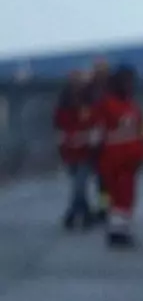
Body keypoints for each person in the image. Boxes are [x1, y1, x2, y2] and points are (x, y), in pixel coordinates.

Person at [96, 65, 143, 248]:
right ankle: (116, 231)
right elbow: (103, 129)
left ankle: (122, 229)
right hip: (115, 157)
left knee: (127, 195)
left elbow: (139, 129)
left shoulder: (130, 104)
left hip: (129, 157)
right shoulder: (108, 103)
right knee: (118, 195)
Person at [53, 69, 98, 230]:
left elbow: (94, 124)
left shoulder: (89, 102)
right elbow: (59, 125)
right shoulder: (64, 103)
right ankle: (86, 214)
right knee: (78, 184)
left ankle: (71, 215)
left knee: (79, 184)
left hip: (85, 150)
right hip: (70, 150)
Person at [88, 58, 112, 224]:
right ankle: (104, 207)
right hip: (99, 139)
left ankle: (109, 207)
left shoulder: (111, 88)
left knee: (109, 177)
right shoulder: (90, 89)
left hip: (111, 139)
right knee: (101, 178)